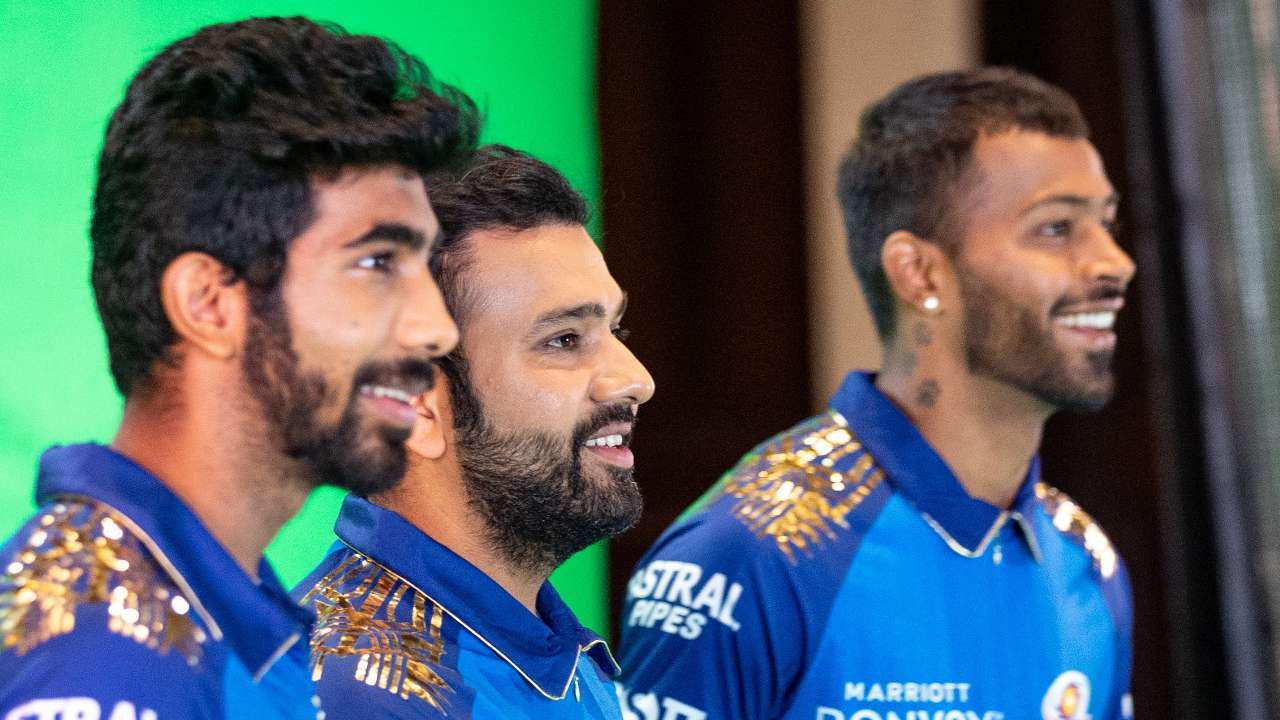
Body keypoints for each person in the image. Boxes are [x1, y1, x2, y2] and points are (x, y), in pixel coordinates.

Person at [616, 67, 1137, 720]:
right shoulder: (749, 554)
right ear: (919, 274)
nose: (1115, 263)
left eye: (1106, 224)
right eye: (1056, 228)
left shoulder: (1086, 562)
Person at [0, 16, 478, 719]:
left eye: (425, 265)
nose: (437, 328)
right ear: (209, 304)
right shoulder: (106, 663)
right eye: (378, 262)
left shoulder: (199, 612)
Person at [294, 146, 655, 719]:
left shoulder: (549, 656)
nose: (637, 380)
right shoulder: (362, 697)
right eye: (564, 340)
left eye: (616, 330)